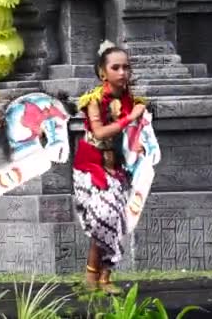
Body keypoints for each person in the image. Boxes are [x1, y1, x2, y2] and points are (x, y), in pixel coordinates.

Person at [73, 41, 146, 294]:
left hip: (116, 170)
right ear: (103, 72)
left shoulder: (132, 100)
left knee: (114, 220)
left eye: (126, 67)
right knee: (103, 217)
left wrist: (139, 147)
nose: (122, 72)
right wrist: (130, 118)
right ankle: (93, 276)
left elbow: (136, 136)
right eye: (116, 67)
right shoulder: (93, 99)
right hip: (90, 168)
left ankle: (102, 277)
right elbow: (100, 132)